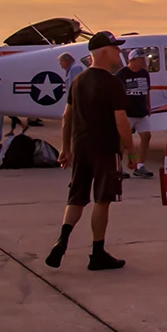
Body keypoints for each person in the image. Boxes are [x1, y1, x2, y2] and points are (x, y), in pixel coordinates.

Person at [45, 31, 134, 271]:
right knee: (102, 199)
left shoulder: (78, 81)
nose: (119, 52)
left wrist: (66, 148)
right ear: (104, 52)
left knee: (77, 197)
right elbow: (121, 122)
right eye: (115, 48)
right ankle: (97, 253)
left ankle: (62, 240)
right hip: (105, 147)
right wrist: (132, 152)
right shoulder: (113, 82)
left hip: (81, 145)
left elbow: (67, 116)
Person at [116, 50, 154, 179]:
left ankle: (140, 165)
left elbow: (147, 91)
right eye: (140, 59)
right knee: (123, 140)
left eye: (143, 59)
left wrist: (148, 105)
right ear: (132, 60)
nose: (143, 62)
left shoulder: (144, 73)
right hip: (127, 112)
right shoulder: (121, 74)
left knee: (146, 136)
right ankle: (118, 167)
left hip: (141, 112)